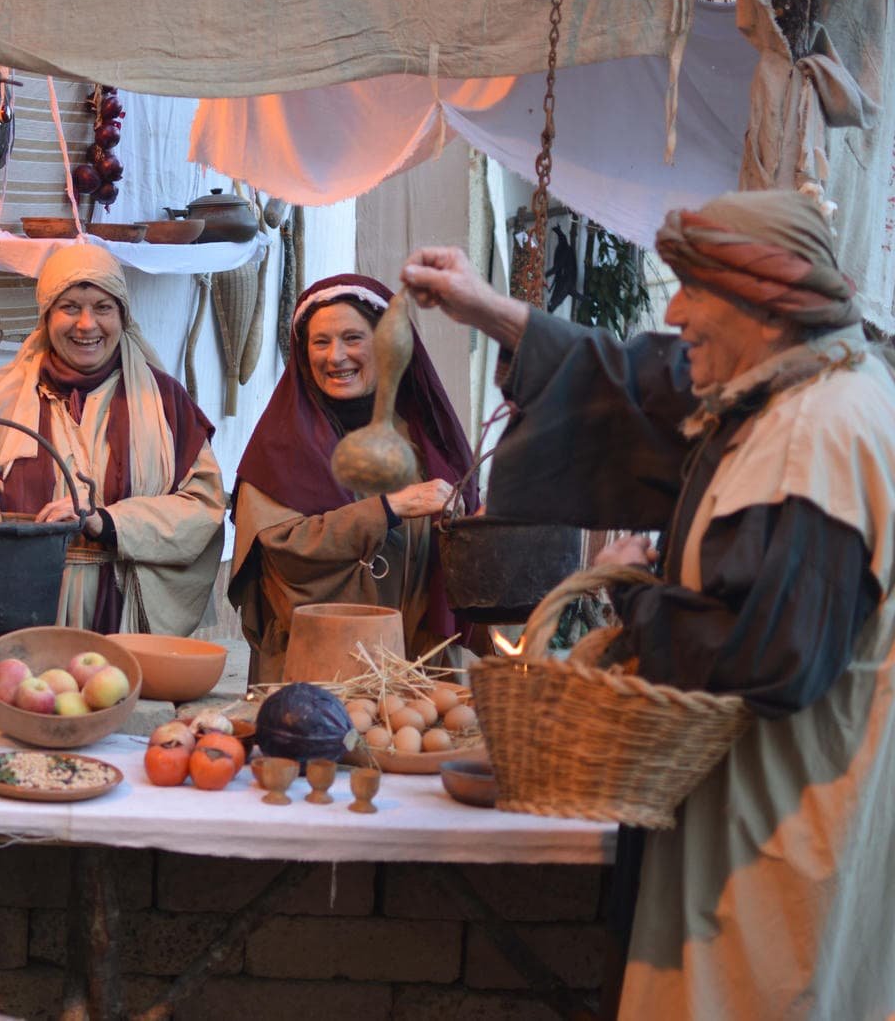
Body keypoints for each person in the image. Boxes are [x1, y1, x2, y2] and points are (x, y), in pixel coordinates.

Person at [400, 189, 895, 1019]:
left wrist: (638, 598)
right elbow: (644, 383)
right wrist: (490, 310)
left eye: (693, 290)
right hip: (757, 819)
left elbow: (764, 653)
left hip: (773, 837)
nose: (673, 311)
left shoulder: (816, 436)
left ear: (765, 306)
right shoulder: (795, 386)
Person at [0, 242, 226, 644]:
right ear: (46, 315)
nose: (86, 324)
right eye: (70, 307)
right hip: (14, 614)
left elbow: (204, 507)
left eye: (102, 307)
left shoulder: (163, 401)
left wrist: (108, 521)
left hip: (119, 615)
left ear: (123, 315)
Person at [228, 273, 477, 684]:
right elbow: (283, 550)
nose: (336, 356)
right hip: (318, 671)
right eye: (320, 342)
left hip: (417, 664)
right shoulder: (281, 445)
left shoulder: (423, 438)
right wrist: (388, 509)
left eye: (353, 338)